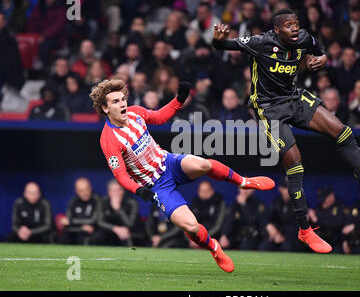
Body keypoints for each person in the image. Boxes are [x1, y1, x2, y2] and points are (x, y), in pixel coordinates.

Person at [212, 8, 360, 254]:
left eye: (296, 23)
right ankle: (305, 231)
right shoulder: (260, 42)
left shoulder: (303, 39)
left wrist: (322, 59)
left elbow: (319, 49)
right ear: (277, 29)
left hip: (294, 98)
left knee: (344, 132)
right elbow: (224, 46)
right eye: (288, 25)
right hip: (269, 108)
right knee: (295, 165)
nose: (294, 28)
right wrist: (218, 38)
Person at [89, 79, 275, 273]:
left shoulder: (135, 112)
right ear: (105, 108)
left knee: (203, 163)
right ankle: (213, 247)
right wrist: (138, 190)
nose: (122, 104)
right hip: (157, 187)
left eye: (122, 99)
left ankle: (243, 182)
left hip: (168, 163)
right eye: (115, 102)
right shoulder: (109, 140)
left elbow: (160, 117)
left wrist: (179, 99)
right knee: (192, 227)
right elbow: (120, 175)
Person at [90, 179, 139, 246]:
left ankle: (130, 255)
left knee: (126, 235)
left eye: (118, 190)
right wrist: (115, 229)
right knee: (97, 236)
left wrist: (119, 209)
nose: (116, 193)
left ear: (123, 191)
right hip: (108, 231)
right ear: (109, 192)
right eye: (113, 191)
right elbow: (100, 221)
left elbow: (130, 224)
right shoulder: (103, 201)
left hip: (125, 232)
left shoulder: (132, 203)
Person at [259, 178, 301, 252]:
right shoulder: (277, 202)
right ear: (280, 189)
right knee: (265, 246)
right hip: (276, 237)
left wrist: (281, 235)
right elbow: (265, 217)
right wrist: (269, 226)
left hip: (293, 238)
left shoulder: (300, 203)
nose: (288, 191)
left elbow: (298, 226)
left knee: (288, 246)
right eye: (285, 188)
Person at [59, 177, 101, 245]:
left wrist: (71, 221)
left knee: (92, 237)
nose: (85, 193)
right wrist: (81, 228)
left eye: (86, 189)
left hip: (93, 231)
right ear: (76, 191)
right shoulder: (73, 201)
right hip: (77, 230)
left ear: (90, 188)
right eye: (81, 190)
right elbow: (67, 223)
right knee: (64, 237)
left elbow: (94, 220)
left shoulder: (97, 200)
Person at [188, 181, 226, 248]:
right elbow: (187, 222)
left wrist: (204, 238)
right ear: (198, 192)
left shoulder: (218, 201)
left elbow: (219, 224)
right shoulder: (195, 203)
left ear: (212, 191)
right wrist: (192, 238)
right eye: (202, 191)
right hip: (196, 238)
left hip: (213, 237)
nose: (204, 193)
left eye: (207, 190)